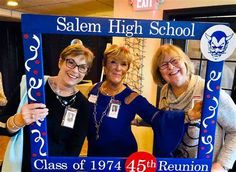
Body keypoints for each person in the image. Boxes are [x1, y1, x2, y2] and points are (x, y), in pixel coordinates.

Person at [86, 44, 202, 157]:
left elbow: (158, 118)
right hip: (93, 158)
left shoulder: (133, 98)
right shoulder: (94, 90)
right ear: (104, 65)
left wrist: (188, 116)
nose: (118, 68)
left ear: (127, 69)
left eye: (123, 64)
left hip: (122, 161)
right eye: (113, 62)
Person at [0, 42, 94, 171]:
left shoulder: (83, 105)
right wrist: (19, 120)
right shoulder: (32, 86)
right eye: (70, 62)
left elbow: (73, 149)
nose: (75, 70)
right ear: (60, 62)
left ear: (86, 72)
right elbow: (2, 124)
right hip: (21, 165)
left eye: (82, 67)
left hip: (53, 169)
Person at [151, 44, 236, 171]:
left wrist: (221, 165)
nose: (170, 67)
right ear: (159, 72)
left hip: (204, 168)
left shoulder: (208, 91)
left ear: (185, 62)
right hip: (172, 166)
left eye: (174, 60)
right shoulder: (165, 92)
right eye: (163, 64)